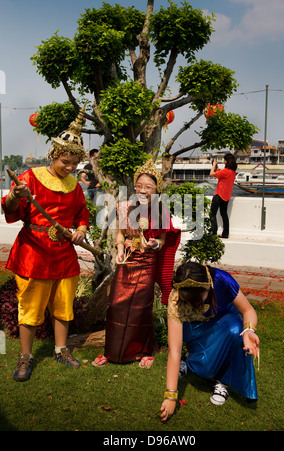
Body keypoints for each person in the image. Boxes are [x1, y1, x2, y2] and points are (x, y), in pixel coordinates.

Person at [1, 104, 90, 382]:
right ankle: (25, 356)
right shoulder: (30, 177)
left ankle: (61, 349)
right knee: (30, 307)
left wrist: (81, 230)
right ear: (53, 154)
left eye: (75, 163)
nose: (70, 167)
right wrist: (17, 194)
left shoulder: (74, 186)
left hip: (64, 255)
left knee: (64, 305)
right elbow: (10, 210)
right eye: (66, 161)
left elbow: (82, 216)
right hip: (34, 253)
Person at [92, 159, 181, 369]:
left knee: (141, 308)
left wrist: (155, 243)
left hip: (147, 261)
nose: (142, 190)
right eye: (139, 186)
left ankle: (144, 350)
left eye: (148, 187)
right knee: (115, 305)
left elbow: (162, 240)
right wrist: (120, 251)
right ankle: (110, 351)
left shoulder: (160, 210)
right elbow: (121, 234)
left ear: (156, 189)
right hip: (128, 259)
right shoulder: (125, 207)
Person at [160, 261, 259, 421]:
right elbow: (175, 349)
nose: (193, 304)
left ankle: (223, 380)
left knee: (236, 329)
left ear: (208, 287)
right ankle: (190, 360)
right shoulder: (175, 299)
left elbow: (247, 310)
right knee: (203, 370)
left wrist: (249, 330)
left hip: (223, 323)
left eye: (198, 299)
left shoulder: (222, 280)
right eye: (187, 300)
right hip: (194, 329)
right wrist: (171, 396)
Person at [209, 153, 237, 238]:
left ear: (227, 161)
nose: (224, 162)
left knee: (212, 213)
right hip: (226, 196)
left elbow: (211, 174)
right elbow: (220, 174)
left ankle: (213, 233)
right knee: (224, 214)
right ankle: (225, 233)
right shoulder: (233, 172)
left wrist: (213, 165)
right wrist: (217, 168)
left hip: (218, 194)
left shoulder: (225, 171)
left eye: (224, 160)